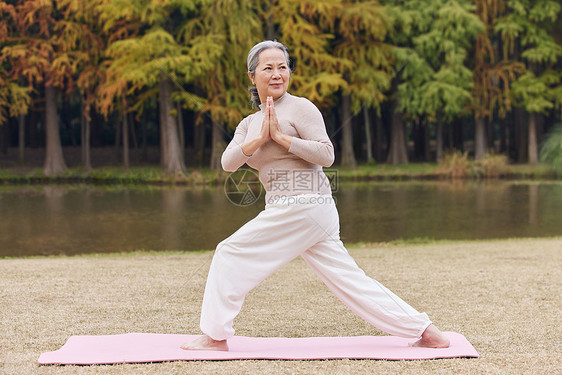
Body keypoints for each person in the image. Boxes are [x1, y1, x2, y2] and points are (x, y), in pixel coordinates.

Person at [181, 40, 450, 351]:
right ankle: (427, 331)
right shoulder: (247, 125)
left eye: (283, 67)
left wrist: (282, 139)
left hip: (306, 204)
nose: (277, 74)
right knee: (350, 280)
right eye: (268, 68)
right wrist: (259, 138)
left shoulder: (301, 107)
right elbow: (228, 163)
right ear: (252, 77)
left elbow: (326, 154)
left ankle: (215, 337)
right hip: (295, 209)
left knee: (229, 253)